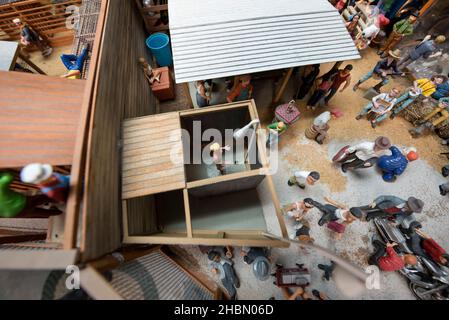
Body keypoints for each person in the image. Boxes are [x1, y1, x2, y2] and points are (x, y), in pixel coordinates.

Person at [358, 195, 424, 221]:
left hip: (388, 212)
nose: (408, 209)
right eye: (409, 207)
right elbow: (384, 197)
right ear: (407, 203)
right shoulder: (396, 200)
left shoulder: (408, 212)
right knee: (368, 207)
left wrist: (397, 221)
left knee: (378, 214)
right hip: (381, 205)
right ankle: (358, 209)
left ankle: (370, 215)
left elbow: (402, 216)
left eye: (411, 209)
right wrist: (375, 202)